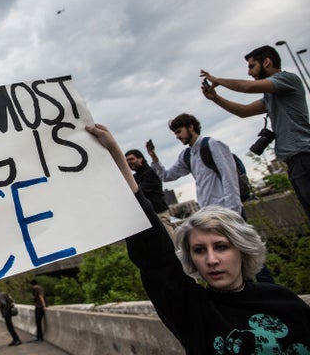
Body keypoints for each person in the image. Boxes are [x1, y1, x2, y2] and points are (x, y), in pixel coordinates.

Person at [85, 122, 310, 354]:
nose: (211, 260)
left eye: (221, 247)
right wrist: (116, 158)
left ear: (242, 249)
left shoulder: (284, 301)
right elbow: (155, 258)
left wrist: (232, 213)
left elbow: (229, 178)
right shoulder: (192, 309)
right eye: (199, 250)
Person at [201, 44, 310, 220]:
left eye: (252, 66)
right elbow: (244, 111)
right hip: (296, 162)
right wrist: (215, 98)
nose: (249, 73)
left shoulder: (288, 79)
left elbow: (247, 87)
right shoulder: (271, 95)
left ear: (267, 62)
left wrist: (217, 80)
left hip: (304, 157)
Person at [147, 113, 243, 215]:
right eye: (175, 133)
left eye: (179, 132)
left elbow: (229, 177)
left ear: (191, 127)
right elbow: (166, 176)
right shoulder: (187, 155)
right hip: (208, 213)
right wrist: (153, 156)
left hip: (226, 210)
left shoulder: (212, 144)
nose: (177, 136)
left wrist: (234, 212)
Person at [125, 148, 174, 240]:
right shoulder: (135, 177)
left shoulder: (150, 172)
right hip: (149, 218)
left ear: (140, 159)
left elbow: (138, 191)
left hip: (159, 214)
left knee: (171, 243)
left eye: (131, 159)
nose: (129, 162)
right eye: (126, 160)